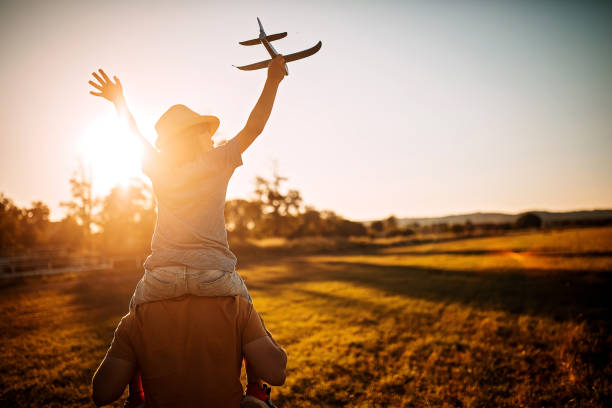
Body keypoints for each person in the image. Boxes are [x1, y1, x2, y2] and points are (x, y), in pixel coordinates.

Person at [88, 55, 288, 407]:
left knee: (135, 315)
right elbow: (254, 127)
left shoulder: (159, 167)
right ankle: (256, 391)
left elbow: (132, 134)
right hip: (215, 275)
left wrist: (120, 103)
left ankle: (137, 395)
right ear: (194, 138)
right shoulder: (217, 162)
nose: (212, 139)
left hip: (160, 278)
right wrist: (273, 79)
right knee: (246, 306)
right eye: (206, 134)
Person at [91, 295, 287, 407]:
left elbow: (102, 393)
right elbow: (276, 374)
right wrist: (256, 325)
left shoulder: (136, 318)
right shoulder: (237, 308)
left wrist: (136, 394)